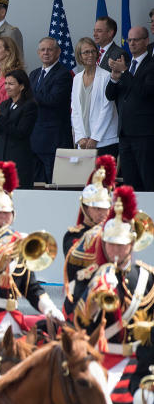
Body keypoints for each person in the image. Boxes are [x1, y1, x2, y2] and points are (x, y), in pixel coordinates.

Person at [71, 186, 153, 404]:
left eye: (121, 244)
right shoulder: (89, 276)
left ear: (132, 244)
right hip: (105, 360)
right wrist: (92, 300)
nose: (115, 250)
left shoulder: (147, 277)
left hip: (142, 360)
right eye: (110, 244)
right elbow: (78, 324)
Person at [0, 162, 64, 337]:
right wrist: (1, 258)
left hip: (13, 315)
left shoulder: (19, 241)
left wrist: (50, 308)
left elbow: (31, 288)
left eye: (7, 212)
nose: (3, 216)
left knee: (59, 331)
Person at [105, 27, 154, 192]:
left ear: (146, 41)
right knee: (130, 183)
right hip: (125, 134)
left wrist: (125, 71)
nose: (131, 43)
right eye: (129, 40)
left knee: (148, 179)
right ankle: (134, 216)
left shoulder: (150, 66)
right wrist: (114, 77)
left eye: (136, 40)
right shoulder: (126, 67)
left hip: (144, 134)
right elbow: (110, 95)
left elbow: (144, 92)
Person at [29, 37, 73, 183]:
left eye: (50, 49)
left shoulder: (64, 74)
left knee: (53, 184)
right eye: (43, 50)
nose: (46, 53)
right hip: (34, 139)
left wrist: (29, 93)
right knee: (36, 185)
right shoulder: (34, 74)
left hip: (54, 140)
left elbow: (53, 100)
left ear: (58, 52)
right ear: (38, 52)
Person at [71, 37, 119, 159]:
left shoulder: (106, 76)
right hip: (83, 142)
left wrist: (95, 138)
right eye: (86, 52)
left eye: (93, 51)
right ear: (79, 56)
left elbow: (107, 109)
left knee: (102, 178)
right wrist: (80, 137)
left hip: (104, 141)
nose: (91, 55)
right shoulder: (76, 79)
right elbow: (75, 110)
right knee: (86, 178)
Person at [0, 69, 37, 187]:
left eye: (11, 84)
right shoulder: (4, 105)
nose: (7, 87)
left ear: (21, 86)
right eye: (5, 83)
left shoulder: (29, 106)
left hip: (17, 161)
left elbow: (20, 132)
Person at [63, 154, 116, 255]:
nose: (103, 213)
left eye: (105, 208)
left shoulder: (113, 234)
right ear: (86, 209)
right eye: (97, 209)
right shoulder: (73, 236)